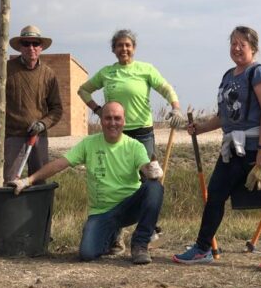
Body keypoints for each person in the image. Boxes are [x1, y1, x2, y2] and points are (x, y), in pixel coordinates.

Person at [172, 25, 261, 271]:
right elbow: (225, 116)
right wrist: (201, 128)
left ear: (253, 49)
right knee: (215, 195)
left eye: (242, 44)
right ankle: (202, 248)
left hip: (260, 146)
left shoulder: (260, 73)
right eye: (233, 43)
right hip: (233, 148)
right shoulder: (229, 76)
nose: (237, 48)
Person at [10, 101, 164, 265]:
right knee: (87, 253)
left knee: (155, 188)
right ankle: (111, 236)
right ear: (101, 120)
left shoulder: (135, 146)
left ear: (124, 121)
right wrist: (28, 180)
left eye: (117, 118)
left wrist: (152, 170)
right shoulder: (88, 143)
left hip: (130, 207)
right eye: (108, 118)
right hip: (102, 212)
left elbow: (146, 169)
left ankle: (140, 243)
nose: (113, 123)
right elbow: (60, 163)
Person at [77, 29, 186, 252]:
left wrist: (175, 107)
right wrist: (98, 109)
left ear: (133, 48)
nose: (124, 49)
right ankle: (115, 235)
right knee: (116, 181)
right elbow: (83, 90)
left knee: (149, 180)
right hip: (117, 133)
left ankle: (147, 232)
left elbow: (165, 88)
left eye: (128, 45)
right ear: (114, 49)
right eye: (119, 45)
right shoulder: (108, 73)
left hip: (143, 133)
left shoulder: (145, 69)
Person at [0, 25, 63, 182]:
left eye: (35, 44)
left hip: (38, 137)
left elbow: (57, 109)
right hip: (12, 136)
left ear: (41, 47)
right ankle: (10, 207)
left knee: (39, 181)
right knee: (9, 181)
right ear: (20, 46)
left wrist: (43, 124)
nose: (31, 48)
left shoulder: (49, 75)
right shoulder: (5, 69)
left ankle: (38, 207)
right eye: (26, 43)